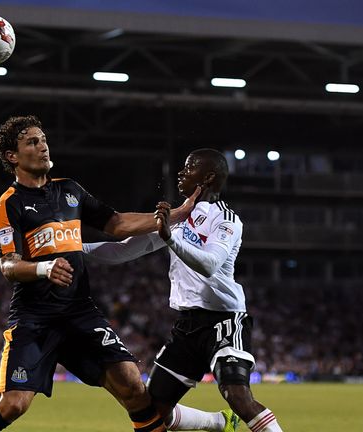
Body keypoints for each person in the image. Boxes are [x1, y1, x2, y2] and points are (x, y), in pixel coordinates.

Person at [0, 115, 201, 432]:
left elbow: (116, 224)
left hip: (79, 311)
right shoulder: (9, 204)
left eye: (43, 139)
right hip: (35, 317)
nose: (43, 146)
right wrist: (44, 267)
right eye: (32, 142)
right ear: (11, 156)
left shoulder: (70, 191)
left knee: (133, 386)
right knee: (14, 404)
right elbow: (9, 266)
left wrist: (177, 214)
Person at [84, 148, 284, 432]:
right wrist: (70, 250)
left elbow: (211, 264)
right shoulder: (177, 218)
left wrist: (171, 239)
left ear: (208, 177)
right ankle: (218, 424)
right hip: (188, 325)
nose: (181, 173)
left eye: (189, 168)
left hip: (224, 320)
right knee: (154, 412)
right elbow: (122, 251)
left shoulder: (226, 219)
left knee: (236, 394)